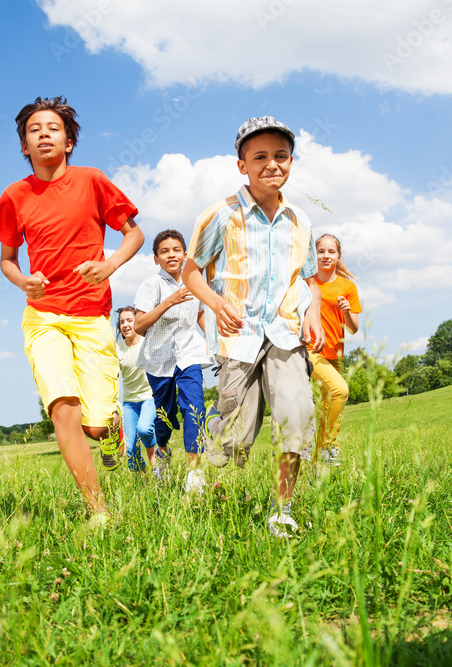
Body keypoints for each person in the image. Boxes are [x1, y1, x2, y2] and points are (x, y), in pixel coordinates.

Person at [0, 96, 144, 521]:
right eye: (34, 130)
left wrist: (109, 263)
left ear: (69, 141)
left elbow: (133, 234)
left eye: (53, 128)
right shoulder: (14, 196)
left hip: (92, 314)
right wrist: (23, 280)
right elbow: (7, 259)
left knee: (95, 426)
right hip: (42, 316)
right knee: (63, 406)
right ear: (25, 145)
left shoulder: (92, 181)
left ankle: (110, 431)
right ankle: (98, 511)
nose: (43, 134)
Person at [181, 116, 325, 537]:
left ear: (291, 161)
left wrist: (312, 312)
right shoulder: (220, 215)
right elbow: (192, 271)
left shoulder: (301, 221)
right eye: (259, 156)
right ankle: (203, 473)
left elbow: (309, 276)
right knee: (236, 436)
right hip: (237, 334)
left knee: (295, 415)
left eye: (280, 156)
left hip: (285, 331)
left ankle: (283, 508)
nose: (271, 164)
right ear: (242, 164)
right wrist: (214, 301)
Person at [133, 230, 211, 492]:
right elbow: (139, 325)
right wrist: (168, 302)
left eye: (176, 250)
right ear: (156, 259)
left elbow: (200, 313)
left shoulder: (194, 282)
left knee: (194, 407)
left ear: (185, 254)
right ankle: (163, 456)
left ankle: (195, 471)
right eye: (164, 251)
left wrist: (213, 340)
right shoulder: (151, 286)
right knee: (163, 416)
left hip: (189, 354)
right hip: (159, 360)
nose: (171, 255)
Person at [310, 234, 361, 467]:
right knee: (340, 390)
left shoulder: (347, 286)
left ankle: (316, 467)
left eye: (331, 252)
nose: (326, 256)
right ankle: (330, 447)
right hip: (311, 351)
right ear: (314, 254)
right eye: (321, 251)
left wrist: (347, 311)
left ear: (338, 256)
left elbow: (353, 329)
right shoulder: (306, 282)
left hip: (336, 355)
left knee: (327, 409)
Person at [115, 306, 156, 472]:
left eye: (129, 321)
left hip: (149, 398)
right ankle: (141, 483)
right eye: (121, 322)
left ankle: (155, 459)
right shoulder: (117, 349)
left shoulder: (148, 343)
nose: (125, 325)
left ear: (137, 322)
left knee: (145, 429)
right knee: (131, 449)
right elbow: (112, 375)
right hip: (130, 403)